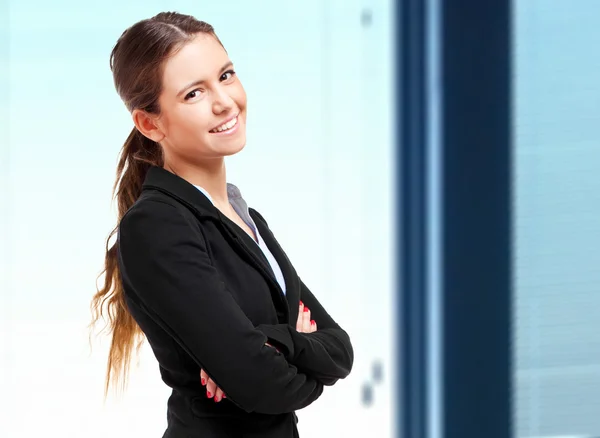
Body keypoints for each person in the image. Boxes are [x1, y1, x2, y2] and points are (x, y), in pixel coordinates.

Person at [89, 11, 354, 438]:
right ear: (150, 123)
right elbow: (265, 386)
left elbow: (340, 349)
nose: (224, 102)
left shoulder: (247, 218)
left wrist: (277, 341)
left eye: (226, 75)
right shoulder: (157, 227)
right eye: (194, 93)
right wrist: (293, 353)